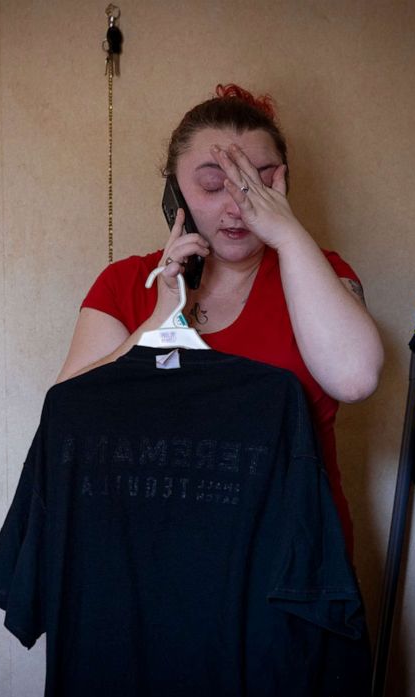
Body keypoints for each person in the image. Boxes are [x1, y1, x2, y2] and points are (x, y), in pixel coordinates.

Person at [56, 84, 384, 548]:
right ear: (175, 193)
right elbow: (68, 418)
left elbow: (355, 379)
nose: (237, 205)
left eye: (259, 182)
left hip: (291, 560)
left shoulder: (323, 273)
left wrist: (289, 237)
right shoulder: (125, 283)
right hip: (153, 554)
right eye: (213, 185)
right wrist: (159, 321)